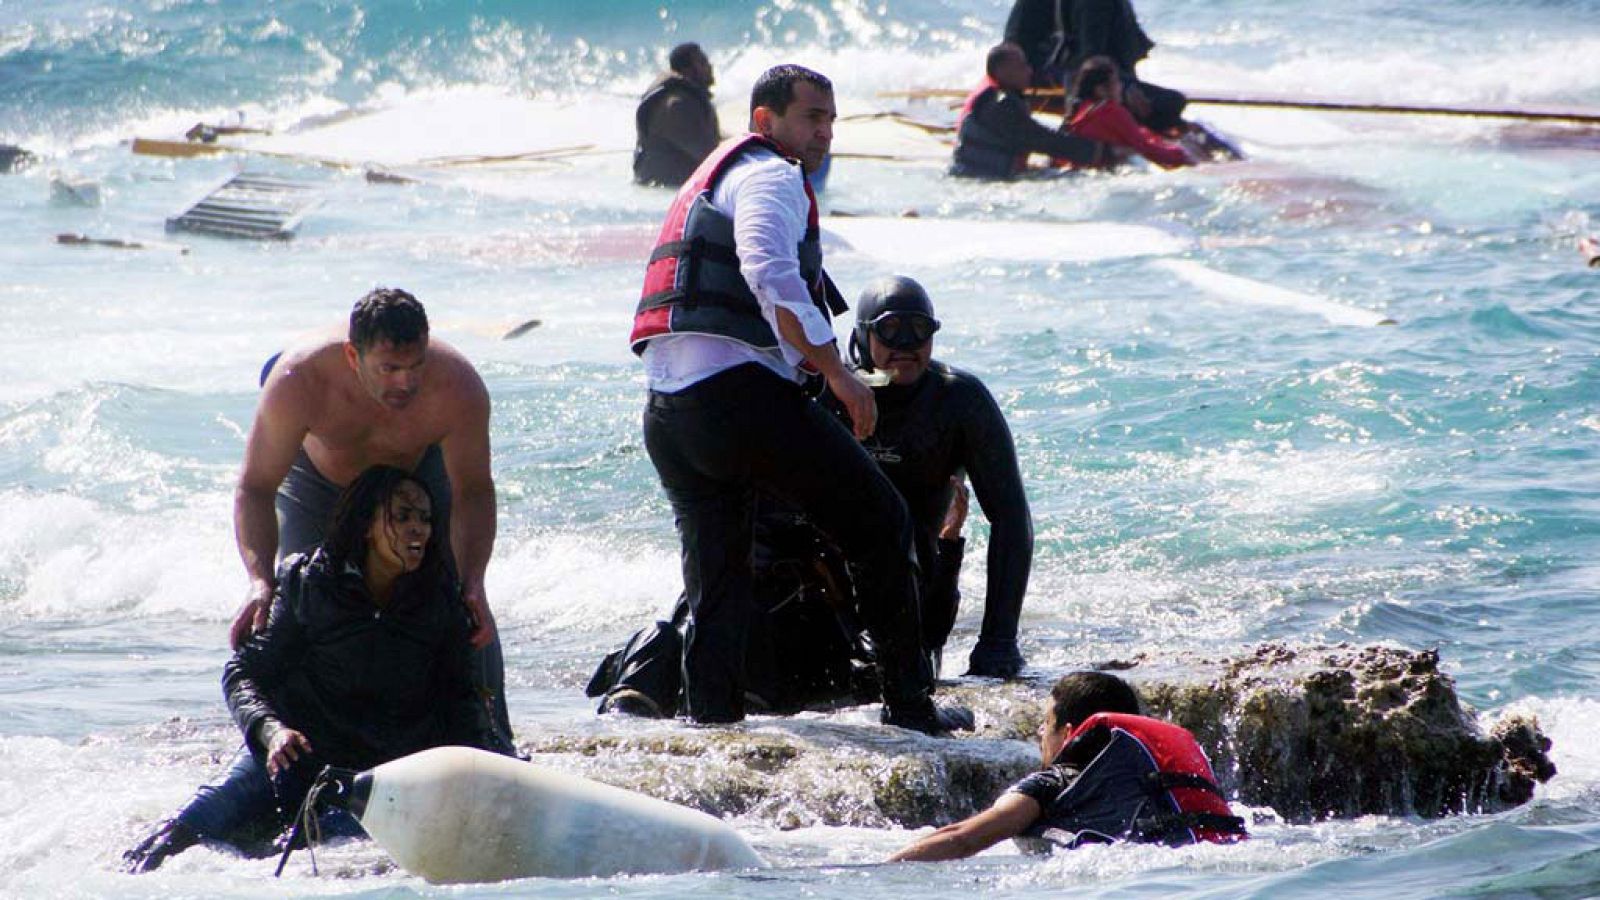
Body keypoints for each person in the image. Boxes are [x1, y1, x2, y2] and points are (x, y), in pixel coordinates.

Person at [629, 63, 968, 735]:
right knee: (881, 521)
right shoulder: (770, 174)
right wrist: (835, 372)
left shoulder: (717, 176)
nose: (824, 133)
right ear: (766, 121)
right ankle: (909, 707)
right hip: (736, 399)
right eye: (812, 118)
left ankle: (713, 720)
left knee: (719, 573)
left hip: (670, 410)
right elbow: (769, 269)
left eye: (832, 120)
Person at [591, 275, 1032, 717]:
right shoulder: (826, 394)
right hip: (817, 595)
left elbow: (1011, 518)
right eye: (890, 329)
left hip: (906, 608)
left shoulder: (959, 402)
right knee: (734, 590)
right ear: (860, 334)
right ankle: (643, 683)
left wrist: (997, 643)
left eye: (921, 330)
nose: (907, 343)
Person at [125, 467, 508, 872]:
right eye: (402, 516)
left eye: (426, 519)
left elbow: (459, 701)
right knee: (175, 837)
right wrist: (272, 733)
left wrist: (488, 775)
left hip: (373, 777)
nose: (419, 530)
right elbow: (242, 673)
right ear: (366, 526)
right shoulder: (308, 583)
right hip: (290, 757)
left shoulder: (439, 600)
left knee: (318, 856)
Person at [231, 288, 512, 749]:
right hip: (319, 485)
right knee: (292, 605)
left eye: (415, 365)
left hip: (414, 476)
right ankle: (277, 748)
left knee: (461, 609)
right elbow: (256, 487)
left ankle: (493, 744)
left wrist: (474, 580)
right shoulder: (299, 379)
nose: (405, 383)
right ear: (352, 355)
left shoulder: (457, 387)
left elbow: (474, 492)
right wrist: (259, 579)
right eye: (389, 369)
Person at [889, 671, 1247, 862]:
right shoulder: (1158, 780)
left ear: (1070, 732)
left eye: (1046, 722)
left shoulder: (1058, 778)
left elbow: (964, 838)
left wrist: (882, 872)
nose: (1039, 732)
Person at [951, 42, 1105, 180]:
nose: (1029, 71)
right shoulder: (999, 106)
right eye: (1022, 66)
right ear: (1002, 72)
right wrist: (1098, 151)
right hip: (979, 179)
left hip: (983, 175)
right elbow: (1042, 140)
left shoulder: (1002, 99)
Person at [1063, 57, 1196, 170]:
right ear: (1100, 90)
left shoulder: (1081, 109)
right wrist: (1186, 157)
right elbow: (1146, 149)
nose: (1120, 87)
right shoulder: (1111, 111)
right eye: (1116, 82)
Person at [633, 42, 722, 187]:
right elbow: (709, 156)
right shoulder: (676, 106)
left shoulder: (688, 100)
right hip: (661, 189)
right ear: (687, 70)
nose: (710, 66)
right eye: (703, 62)